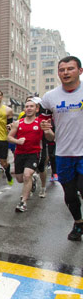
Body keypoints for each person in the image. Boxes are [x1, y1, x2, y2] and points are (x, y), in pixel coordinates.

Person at [40, 56, 83, 241]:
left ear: (80, 71)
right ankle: (78, 223)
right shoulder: (50, 98)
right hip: (63, 152)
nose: (65, 72)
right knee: (70, 194)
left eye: (70, 69)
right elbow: (48, 132)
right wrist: (48, 132)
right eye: (62, 69)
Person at [7, 99, 54, 212]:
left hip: (33, 153)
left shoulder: (40, 122)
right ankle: (32, 179)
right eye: (27, 106)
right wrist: (18, 141)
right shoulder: (18, 123)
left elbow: (51, 138)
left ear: (36, 109)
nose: (28, 108)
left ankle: (23, 202)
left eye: (31, 106)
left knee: (26, 175)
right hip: (20, 154)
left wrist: (47, 131)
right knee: (19, 179)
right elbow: (9, 137)